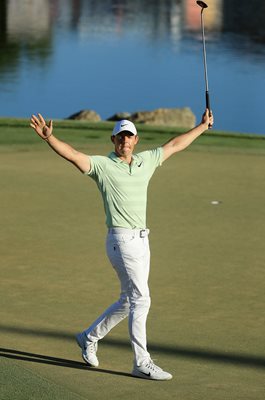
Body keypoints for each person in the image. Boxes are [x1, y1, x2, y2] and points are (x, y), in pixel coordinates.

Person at [30, 109, 214, 381]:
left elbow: (174, 145)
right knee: (142, 299)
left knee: (130, 300)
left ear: (136, 140)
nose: (124, 142)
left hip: (142, 239)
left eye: (129, 137)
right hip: (120, 240)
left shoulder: (146, 161)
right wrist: (50, 139)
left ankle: (88, 337)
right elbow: (74, 155)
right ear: (113, 140)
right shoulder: (103, 166)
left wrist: (202, 126)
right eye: (120, 137)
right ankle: (142, 362)